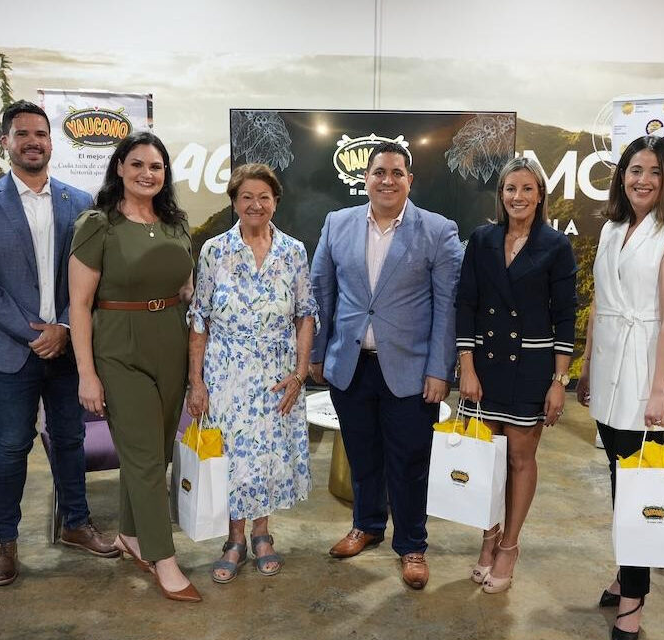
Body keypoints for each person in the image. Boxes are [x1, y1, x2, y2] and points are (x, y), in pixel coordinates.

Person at [0, 100, 118, 587]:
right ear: (6, 142)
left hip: (67, 350)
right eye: (22, 134)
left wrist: (65, 328)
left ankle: (75, 523)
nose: (33, 141)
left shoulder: (79, 202)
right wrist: (35, 332)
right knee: (11, 445)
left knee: (70, 440)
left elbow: (91, 279)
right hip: (8, 353)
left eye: (41, 134)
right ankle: (4, 539)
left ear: (52, 142)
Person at [309, 141, 463, 590]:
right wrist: (318, 354)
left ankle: (412, 544)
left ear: (409, 180)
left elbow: (447, 308)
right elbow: (321, 293)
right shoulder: (337, 224)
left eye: (397, 172)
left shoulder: (438, 230)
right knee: (362, 455)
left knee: (410, 462)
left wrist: (440, 369)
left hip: (412, 371)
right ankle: (367, 525)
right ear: (366, 178)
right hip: (350, 366)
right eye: (379, 172)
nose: (387, 180)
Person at [575, 135, 664, 640]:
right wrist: (585, 367)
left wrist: (659, 391)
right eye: (633, 170)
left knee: (638, 487)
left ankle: (633, 602)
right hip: (608, 366)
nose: (641, 180)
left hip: (648, 370)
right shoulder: (611, 229)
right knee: (617, 477)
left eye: (652, 171)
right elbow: (601, 306)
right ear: (621, 176)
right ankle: (626, 572)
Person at [68, 132, 199, 602]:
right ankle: (165, 561)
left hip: (171, 340)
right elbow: (80, 305)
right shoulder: (97, 224)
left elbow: (185, 289)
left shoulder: (175, 224)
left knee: (155, 453)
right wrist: (86, 373)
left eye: (157, 166)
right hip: (119, 346)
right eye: (138, 164)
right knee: (145, 459)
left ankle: (129, 533)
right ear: (120, 167)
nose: (148, 173)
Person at [186, 163, 318, 584]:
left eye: (263, 196)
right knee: (233, 459)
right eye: (246, 197)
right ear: (234, 203)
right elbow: (199, 318)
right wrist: (197, 381)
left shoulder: (294, 252)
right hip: (225, 374)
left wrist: (299, 374)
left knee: (266, 458)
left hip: (277, 376)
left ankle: (262, 534)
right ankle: (234, 538)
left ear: (276, 201)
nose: (255, 204)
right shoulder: (214, 251)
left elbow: (305, 314)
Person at [456, 156, 577, 594]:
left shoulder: (556, 245)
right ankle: (487, 537)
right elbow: (466, 303)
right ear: (501, 194)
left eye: (527, 189)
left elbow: (565, 316)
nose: (518, 197)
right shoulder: (482, 239)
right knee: (485, 459)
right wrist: (466, 367)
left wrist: (559, 382)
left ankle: (510, 545)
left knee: (520, 458)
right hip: (485, 365)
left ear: (540, 194)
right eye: (510, 189)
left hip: (531, 365)